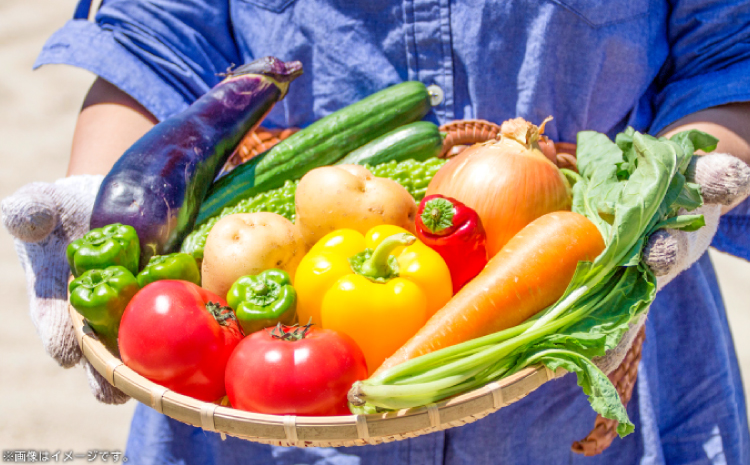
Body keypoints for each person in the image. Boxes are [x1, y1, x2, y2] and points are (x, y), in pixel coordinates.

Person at [6, 0, 750, 463]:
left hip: (595, 318)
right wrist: (110, 198)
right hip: (259, 403)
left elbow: (728, 57)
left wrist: (671, 192)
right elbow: (151, 42)